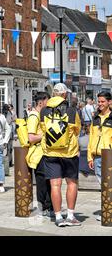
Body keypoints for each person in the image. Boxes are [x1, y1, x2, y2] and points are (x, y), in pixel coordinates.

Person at [40, 83, 81, 227]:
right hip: (69, 152)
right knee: (71, 183)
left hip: (50, 152)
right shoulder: (71, 110)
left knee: (55, 185)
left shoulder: (43, 111)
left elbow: (43, 129)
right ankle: (70, 216)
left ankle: (58, 217)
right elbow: (76, 130)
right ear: (64, 94)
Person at [26, 91, 53, 219]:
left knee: (49, 181)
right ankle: (43, 207)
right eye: (48, 101)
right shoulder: (34, 116)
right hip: (38, 154)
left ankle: (49, 206)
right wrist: (46, 134)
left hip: (45, 152)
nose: (49, 103)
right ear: (41, 102)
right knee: (42, 181)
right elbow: (31, 137)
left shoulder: (42, 115)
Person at [87, 91, 112, 222]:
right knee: (103, 185)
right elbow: (91, 137)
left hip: (110, 156)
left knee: (109, 184)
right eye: (99, 101)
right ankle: (107, 211)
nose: (100, 104)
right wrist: (90, 157)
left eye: (103, 101)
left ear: (109, 102)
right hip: (97, 157)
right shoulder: (95, 118)